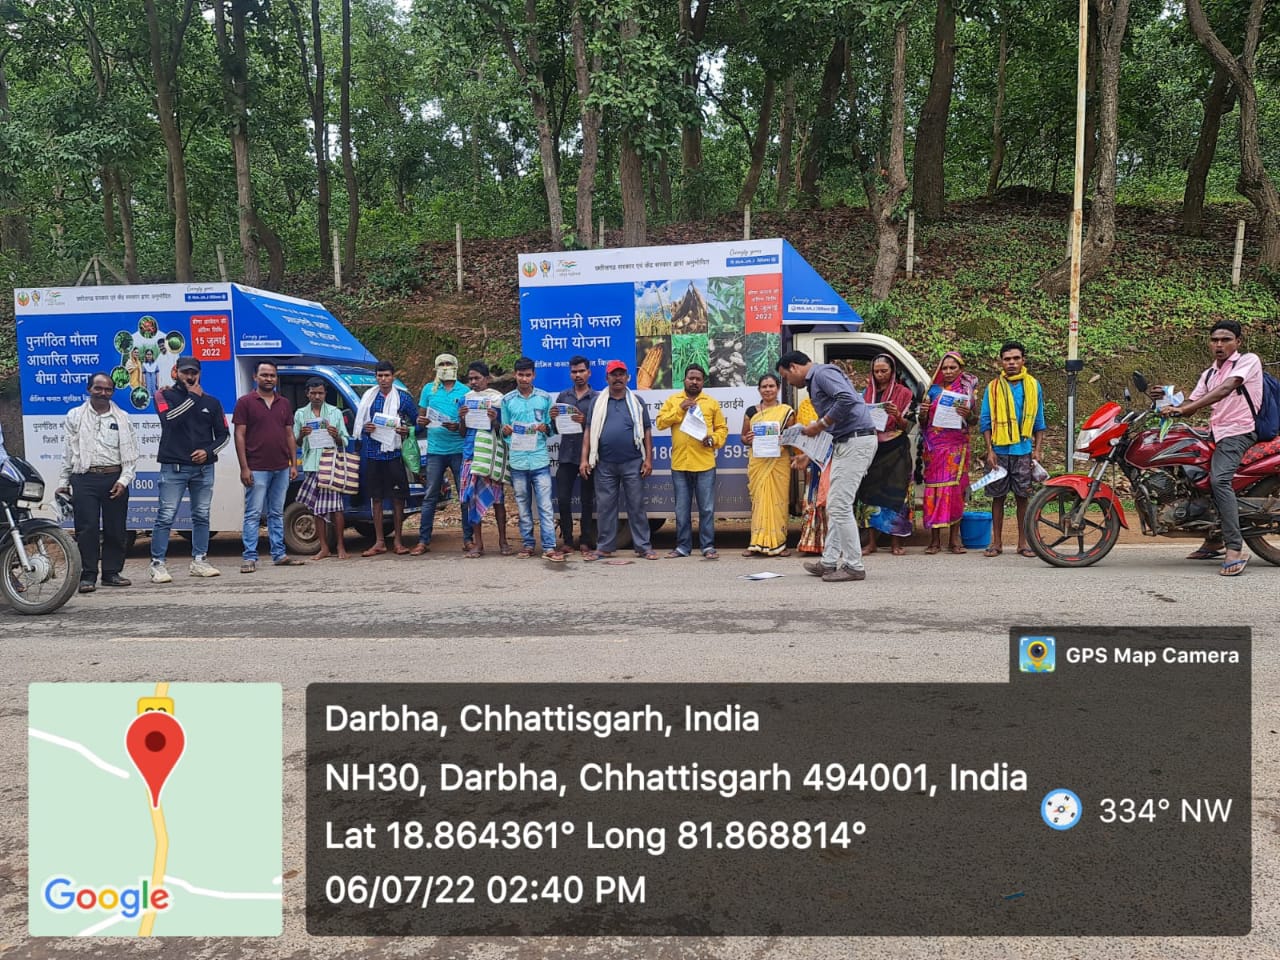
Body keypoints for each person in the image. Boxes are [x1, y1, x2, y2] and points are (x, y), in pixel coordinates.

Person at [1152, 320, 1263, 576]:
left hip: (1239, 432)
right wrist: (1167, 403)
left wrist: (1185, 409)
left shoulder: (1248, 361)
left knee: (1219, 480)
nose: (1219, 345)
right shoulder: (1210, 373)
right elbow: (1192, 402)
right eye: (1215, 340)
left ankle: (1234, 548)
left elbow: (1226, 389)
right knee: (1192, 477)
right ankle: (1213, 538)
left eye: (1225, 340)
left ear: (1238, 342)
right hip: (1215, 431)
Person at [776, 350, 878, 583]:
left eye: (786, 377)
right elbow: (834, 425)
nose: (788, 382)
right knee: (835, 504)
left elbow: (847, 399)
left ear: (794, 367)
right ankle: (829, 561)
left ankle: (854, 566)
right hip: (845, 441)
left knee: (839, 505)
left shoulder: (822, 374)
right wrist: (808, 455)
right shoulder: (817, 379)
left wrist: (820, 424)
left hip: (855, 440)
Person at [56, 372, 139, 593]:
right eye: (98, 388)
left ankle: (111, 573)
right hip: (84, 478)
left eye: (108, 389)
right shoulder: (75, 415)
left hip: (114, 478)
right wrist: (63, 481)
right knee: (87, 529)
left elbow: (131, 455)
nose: (103, 393)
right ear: (89, 389)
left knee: (115, 528)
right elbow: (68, 452)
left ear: (112, 392)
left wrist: (124, 480)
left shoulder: (123, 418)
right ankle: (88, 576)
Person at [149, 356, 229, 583]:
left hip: (203, 470)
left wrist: (208, 452)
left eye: (194, 372)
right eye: (186, 372)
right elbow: (169, 421)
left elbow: (224, 435)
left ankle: (200, 561)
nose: (190, 376)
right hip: (173, 468)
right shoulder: (163, 395)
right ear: (176, 372)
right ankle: (157, 564)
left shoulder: (212, 402)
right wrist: (193, 397)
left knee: (201, 515)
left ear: (200, 373)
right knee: (166, 516)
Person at [580, 359, 657, 560]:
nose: (618, 378)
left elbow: (647, 431)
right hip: (604, 463)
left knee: (636, 505)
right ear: (607, 378)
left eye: (621, 374)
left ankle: (643, 547)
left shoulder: (637, 402)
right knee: (605, 507)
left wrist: (648, 460)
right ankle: (604, 547)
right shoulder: (597, 402)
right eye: (614, 374)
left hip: (633, 462)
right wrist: (584, 459)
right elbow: (588, 430)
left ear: (627, 377)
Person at [233, 360, 302, 572]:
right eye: (264, 375)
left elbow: (289, 434)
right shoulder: (245, 402)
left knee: (277, 513)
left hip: (281, 467)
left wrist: (293, 464)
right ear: (255, 377)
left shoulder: (284, 403)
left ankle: (279, 554)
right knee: (253, 514)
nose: (268, 379)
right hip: (256, 467)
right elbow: (239, 435)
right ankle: (249, 557)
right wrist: (244, 467)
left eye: (272, 375)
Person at [979, 340, 1045, 558]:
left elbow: (1039, 419)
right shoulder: (993, 388)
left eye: (1016, 358)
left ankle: (1023, 543)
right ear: (1001, 362)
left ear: (1023, 360)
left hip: (1023, 450)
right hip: (999, 450)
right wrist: (989, 450)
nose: (1012, 363)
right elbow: (985, 421)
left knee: (1022, 498)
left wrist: (1037, 449)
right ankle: (996, 542)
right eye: (1007, 359)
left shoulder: (1033, 386)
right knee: (997, 497)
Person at [656, 364, 728, 559]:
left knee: (707, 509)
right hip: (680, 464)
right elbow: (660, 423)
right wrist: (679, 410)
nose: (694, 382)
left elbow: (722, 429)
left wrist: (713, 439)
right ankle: (682, 547)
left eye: (698, 379)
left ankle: (708, 547)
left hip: (705, 464)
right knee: (681, 510)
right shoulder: (673, 401)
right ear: (684, 380)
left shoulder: (711, 403)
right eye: (691, 378)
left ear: (703, 382)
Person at [501, 357, 565, 561]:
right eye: (520, 375)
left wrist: (547, 427)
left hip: (540, 461)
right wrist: (506, 431)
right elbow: (503, 431)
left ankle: (549, 547)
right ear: (515, 375)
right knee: (522, 506)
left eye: (528, 375)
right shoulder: (507, 400)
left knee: (545, 506)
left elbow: (551, 430)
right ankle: (528, 545)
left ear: (534, 375)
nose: (524, 379)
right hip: (518, 461)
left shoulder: (544, 398)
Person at [351, 359, 417, 556]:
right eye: (380, 376)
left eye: (387, 375)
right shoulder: (369, 398)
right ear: (376, 377)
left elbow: (417, 424)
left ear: (393, 377)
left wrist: (407, 430)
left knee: (398, 499)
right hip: (373, 453)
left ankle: (398, 541)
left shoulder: (403, 399)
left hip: (394, 454)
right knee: (376, 498)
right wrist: (366, 428)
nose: (383, 379)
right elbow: (361, 426)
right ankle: (379, 541)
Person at [918, 351, 979, 554]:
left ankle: (954, 540)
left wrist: (967, 414)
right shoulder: (932, 391)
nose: (948, 371)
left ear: (960, 369)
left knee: (955, 491)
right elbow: (922, 423)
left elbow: (974, 421)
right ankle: (934, 540)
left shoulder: (966, 392)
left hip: (956, 447)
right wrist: (923, 413)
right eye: (945, 368)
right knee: (934, 491)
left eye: (953, 368)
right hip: (934, 448)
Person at [411, 353, 472, 555]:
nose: (445, 367)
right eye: (441, 364)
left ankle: (468, 539)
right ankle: (423, 541)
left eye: (448, 364)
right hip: (435, 450)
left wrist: (458, 425)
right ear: (436, 368)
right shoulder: (429, 389)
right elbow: (420, 417)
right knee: (430, 495)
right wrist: (421, 421)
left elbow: (469, 422)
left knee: (464, 495)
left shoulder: (465, 391)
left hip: (458, 449)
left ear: (456, 366)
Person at [857, 354, 915, 556]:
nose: (880, 375)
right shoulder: (866, 394)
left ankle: (895, 542)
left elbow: (909, 426)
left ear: (893, 371)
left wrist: (896, 415)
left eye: (884, 371)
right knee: (870, 493)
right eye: (876, 371)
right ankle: (871, 542)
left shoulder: (904, 394)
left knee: (896, 494)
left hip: (896, 449)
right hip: (873, 448)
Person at [459, 361, 511, 558]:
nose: (473, 382)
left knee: (498, 500)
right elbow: (462, 433)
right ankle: (478, 544)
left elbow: (503, 430)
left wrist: (494, 419)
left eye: (477, 378)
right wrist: (462, 418)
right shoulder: (465, 400)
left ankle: (503, 541)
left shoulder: (497, 400)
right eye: (470, 379)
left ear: (487, 379)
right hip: (471, 453)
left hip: (490, 454)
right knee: (472, 499)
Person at [294, 377, 350, 560]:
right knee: (316, 508)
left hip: (331, 463)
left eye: (320, 393)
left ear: (325, 394)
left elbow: (345, 440)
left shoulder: (335, 412)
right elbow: (295, 442)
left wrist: (336, 436)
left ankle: (341, 546)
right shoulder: (300, 414)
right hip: (311, 465)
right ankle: (324, 547)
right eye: (313, 393)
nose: (317, 396)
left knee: (336, 507)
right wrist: (302, 435)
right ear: (307, 394)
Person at [741, 374, 794, 557]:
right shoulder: (751, 412)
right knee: (759, 502)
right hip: (759, 462)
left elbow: (792, 437)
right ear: (759, 390)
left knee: (779, 502)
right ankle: (756, 542)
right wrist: (748, 439)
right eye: (764, 386)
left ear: (778, 388)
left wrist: (782, 439)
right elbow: (743, 437)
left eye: (771, 386)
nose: (768, 389)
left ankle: (780, 543)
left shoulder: (786, 412)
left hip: (778, 462)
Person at [553, 355, 597, 555]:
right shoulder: (563, 396)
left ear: (589, 373)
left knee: (587, 500)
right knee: (563, 499)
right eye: (574, 371)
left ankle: (585, 540)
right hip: (566, 455)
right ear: (570, 374)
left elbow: (600, 427)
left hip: (588, 457)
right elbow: (555, 429)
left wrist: (584, 420)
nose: (578, 375)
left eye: (581, 371)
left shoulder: (596, 398)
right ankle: (568, 540)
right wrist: (553, 419)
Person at [792, 396, 828, 555]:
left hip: (830, 461)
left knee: (830, 503)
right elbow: (801, 434)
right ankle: (811, 543)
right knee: (811, 500)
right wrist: (802, 454)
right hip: (811, 462)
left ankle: (831, 545)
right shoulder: (805, 405)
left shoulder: (835, 403)